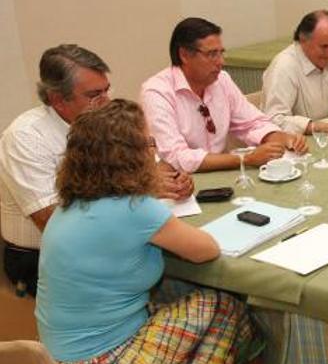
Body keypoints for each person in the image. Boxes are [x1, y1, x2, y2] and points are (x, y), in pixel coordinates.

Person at [36, 99, 263, 364]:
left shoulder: (70, 205)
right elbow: (206, 250)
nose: (153, 151)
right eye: (149, 144)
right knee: (223, 308)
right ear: (129, 156)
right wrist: (149, 199)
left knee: (182, 304)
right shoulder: (133, 209)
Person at [0, 44, 192, 298]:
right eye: (94, 94)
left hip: (113, 240)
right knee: (186, 285)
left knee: (191, 269)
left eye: (106, 90)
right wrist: (142, 190)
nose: (105, 101)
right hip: (43, 258)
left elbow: (154, 167)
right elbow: (53, 220)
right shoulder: (25, 137)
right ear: (58, 99)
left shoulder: (100, 119)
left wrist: (175, 178)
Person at [141, 17, 308, 173]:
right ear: (184, 55)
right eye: (212, 54)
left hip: (224, 175)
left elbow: (252, 122)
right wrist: (246, 159)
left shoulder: (221, 80)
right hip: (182, 183)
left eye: (221, 53)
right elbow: (177, 157)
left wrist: (281, 138)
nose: (221, 62)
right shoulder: (157, 92)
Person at [262, 9, 328, 138]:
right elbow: (274, 120)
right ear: (303, 40)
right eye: (324, 47)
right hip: (297, 146)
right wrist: (322, 128)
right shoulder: (284, 67)